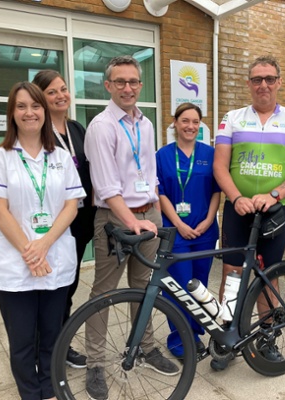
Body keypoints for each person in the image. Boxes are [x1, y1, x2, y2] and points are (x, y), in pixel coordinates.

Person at [0, 81, 86, 399]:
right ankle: (29, 393)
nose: (30, 112)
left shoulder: (62, 157)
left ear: (44, 110)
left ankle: (51, 390)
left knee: (53, 336)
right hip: (15, 265)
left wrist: (43, 245)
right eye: (21, 106)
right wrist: (30, 250)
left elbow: (71, 206)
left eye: (36, 106)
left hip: (54, 259)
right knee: (23, 341)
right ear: (12, 113)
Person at [83, 55, 179, 400]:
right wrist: (133, 220)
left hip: (147, 214)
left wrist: (153, 208)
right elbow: (107, 188)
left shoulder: (146, 123)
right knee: (104, 293)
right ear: (108, 86)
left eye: (133, 82)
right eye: (120, 82)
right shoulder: (101, 126)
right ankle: (95, 364)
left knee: (144, 286)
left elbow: (148, 169)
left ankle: (146, 347)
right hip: (115, 220)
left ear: (140, 85)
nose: (128, 88)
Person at [212, 55, 285, 371]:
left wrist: (275, 194)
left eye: (270, 78)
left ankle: (267, 338)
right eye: (257, 79)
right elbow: (219, 165)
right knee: (231, 274)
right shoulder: (232, 118)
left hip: (275, 211)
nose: (263, 85)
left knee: (269, 276)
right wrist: (236, 196)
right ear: (249, 84)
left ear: (279, 81)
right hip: (237, 209)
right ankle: (226, 337)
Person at [32, 70, 97, 369]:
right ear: (41, 99)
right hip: (55, 220)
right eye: (52, 92)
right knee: (48, 286)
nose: (61, 96)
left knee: (68, 284)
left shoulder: (77, 128)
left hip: (82, 219)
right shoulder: (39, 132)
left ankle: (60, 344)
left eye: (63, 89)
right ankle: (42, 347)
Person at [156, 102, 221, 359]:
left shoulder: (210, 153)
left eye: (195, 122)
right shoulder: (162, 155)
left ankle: (194, 333)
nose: (190, 126)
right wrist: (179, 224)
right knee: (178, 287)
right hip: (176, 232)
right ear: (175, 123)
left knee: (199, 286)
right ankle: (179, 340)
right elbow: (159, 193)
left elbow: (217, 190)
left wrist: (208, 220)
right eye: (185, 121)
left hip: (205, 231)